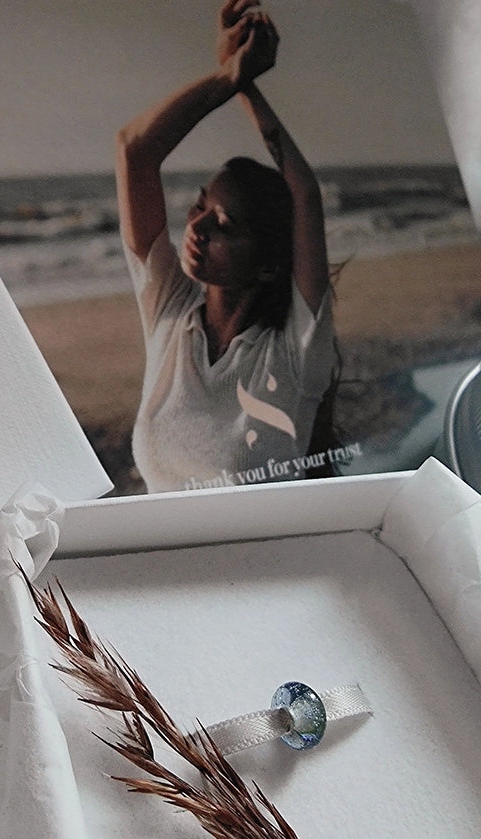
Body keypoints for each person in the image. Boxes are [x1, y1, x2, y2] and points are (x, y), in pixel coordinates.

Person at [116, 0, 339, 492]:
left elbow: (303, 194)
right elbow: (135, 150)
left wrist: (247, 86)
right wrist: (230, 76)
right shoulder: (170, 315)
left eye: (225, 224)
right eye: (199, 208)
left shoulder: (295, 352)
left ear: (267, 266)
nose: (197, 228)